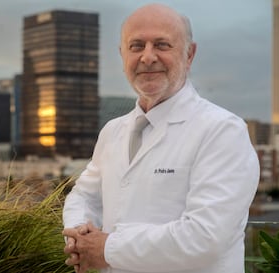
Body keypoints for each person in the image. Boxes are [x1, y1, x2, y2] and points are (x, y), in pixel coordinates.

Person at [62, 3, 260, 273]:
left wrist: (106, 249)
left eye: (162, 45)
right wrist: (79, 236)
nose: (147, 57)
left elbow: (205, 237)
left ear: (189, 54)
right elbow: (84, 195)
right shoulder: (112, 131)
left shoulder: (223, 131)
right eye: (136, 46)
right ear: (122, 56)